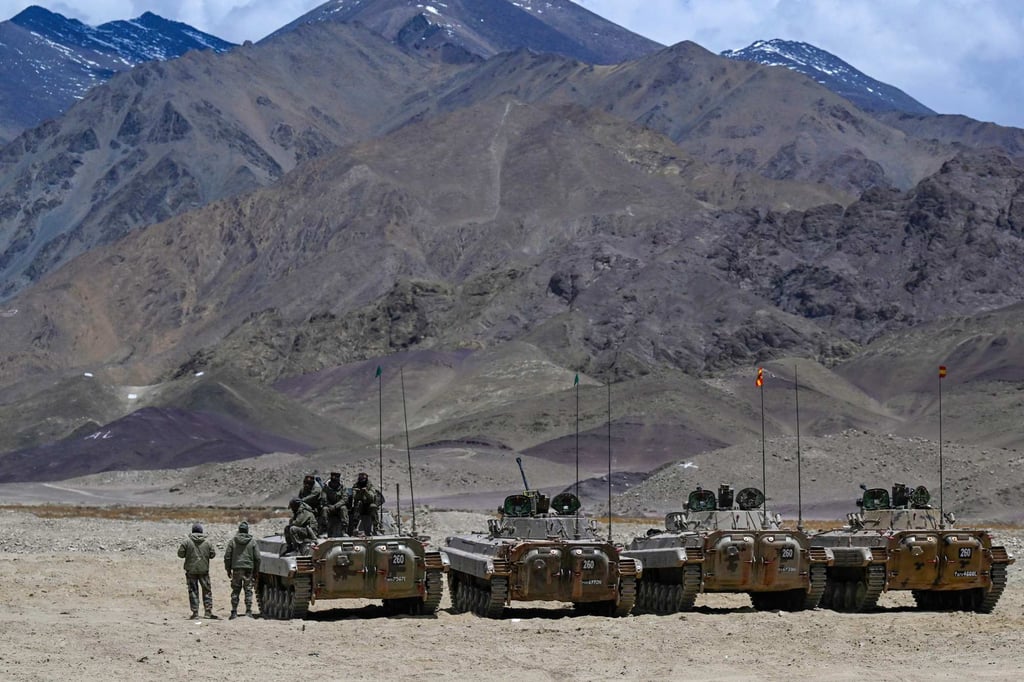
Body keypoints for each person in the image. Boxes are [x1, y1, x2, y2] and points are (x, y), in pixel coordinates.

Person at [177, 522, 217, 619]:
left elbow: (180, 554)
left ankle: (195, 613)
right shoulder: (207, 542)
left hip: (191, 571)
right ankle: (208, 612)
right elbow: (213, 555)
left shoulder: (186, 542)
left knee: (193, 591)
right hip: (204, 570)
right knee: (207, 591)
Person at [224, 521, 260, 619]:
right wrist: (256, 571)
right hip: (249, 569)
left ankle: (234, 612)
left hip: (236, 568)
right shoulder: (252, 541)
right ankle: (248, 611)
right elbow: (257, 558)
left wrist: (228, 569)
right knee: (248, 590)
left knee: (235, 590)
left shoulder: (233, 541)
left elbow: (227, 556)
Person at [321, 471, 349, 537]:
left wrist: (335, 506)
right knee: (324, 509)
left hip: (338, 508)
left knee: (344, 508)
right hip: (329, 507)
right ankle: (324, 531)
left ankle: (344, 530)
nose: (334, 483)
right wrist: (329, 505)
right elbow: (324, 499)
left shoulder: (342, 487)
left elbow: (345, 499)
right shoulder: (326, 488)